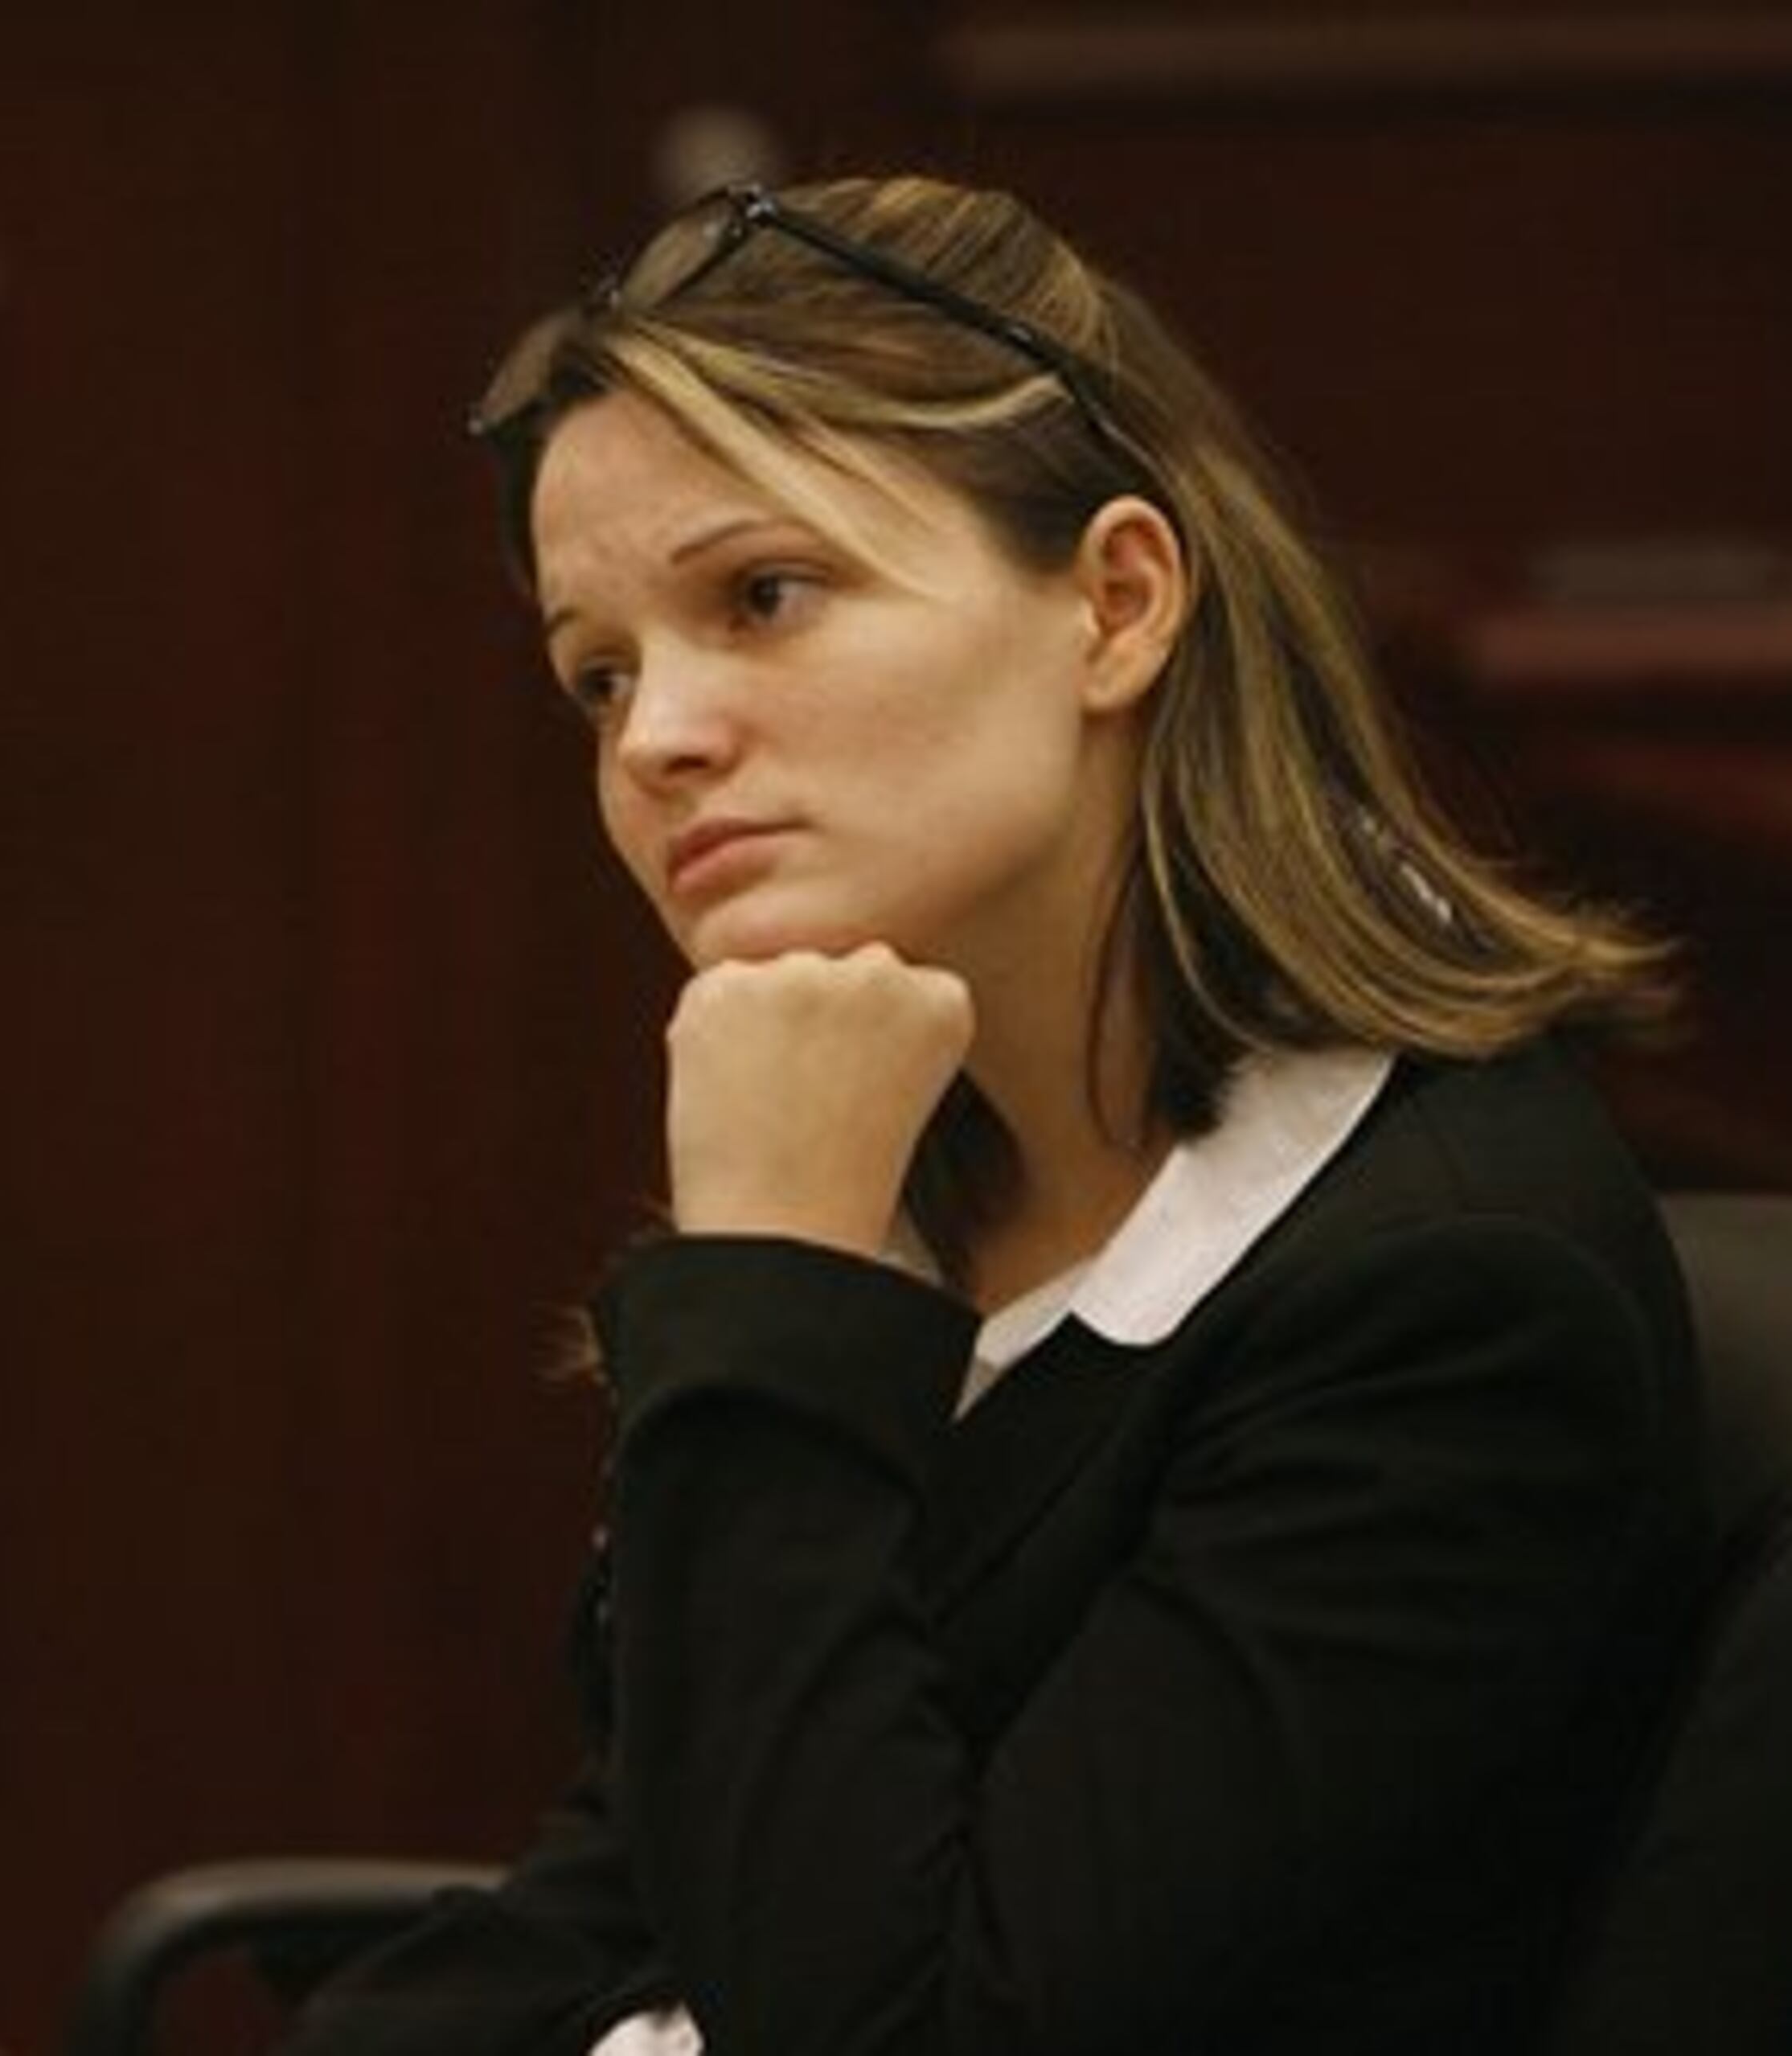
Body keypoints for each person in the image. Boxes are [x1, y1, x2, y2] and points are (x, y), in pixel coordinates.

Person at [281, 172, 1704, 2056]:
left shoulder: (1447, 1301)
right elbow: (638, 1886)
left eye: (763, 596)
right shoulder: (936, 1168)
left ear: (1115, 604)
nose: (655, 737)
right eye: (598, 672)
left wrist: (776, 1280)